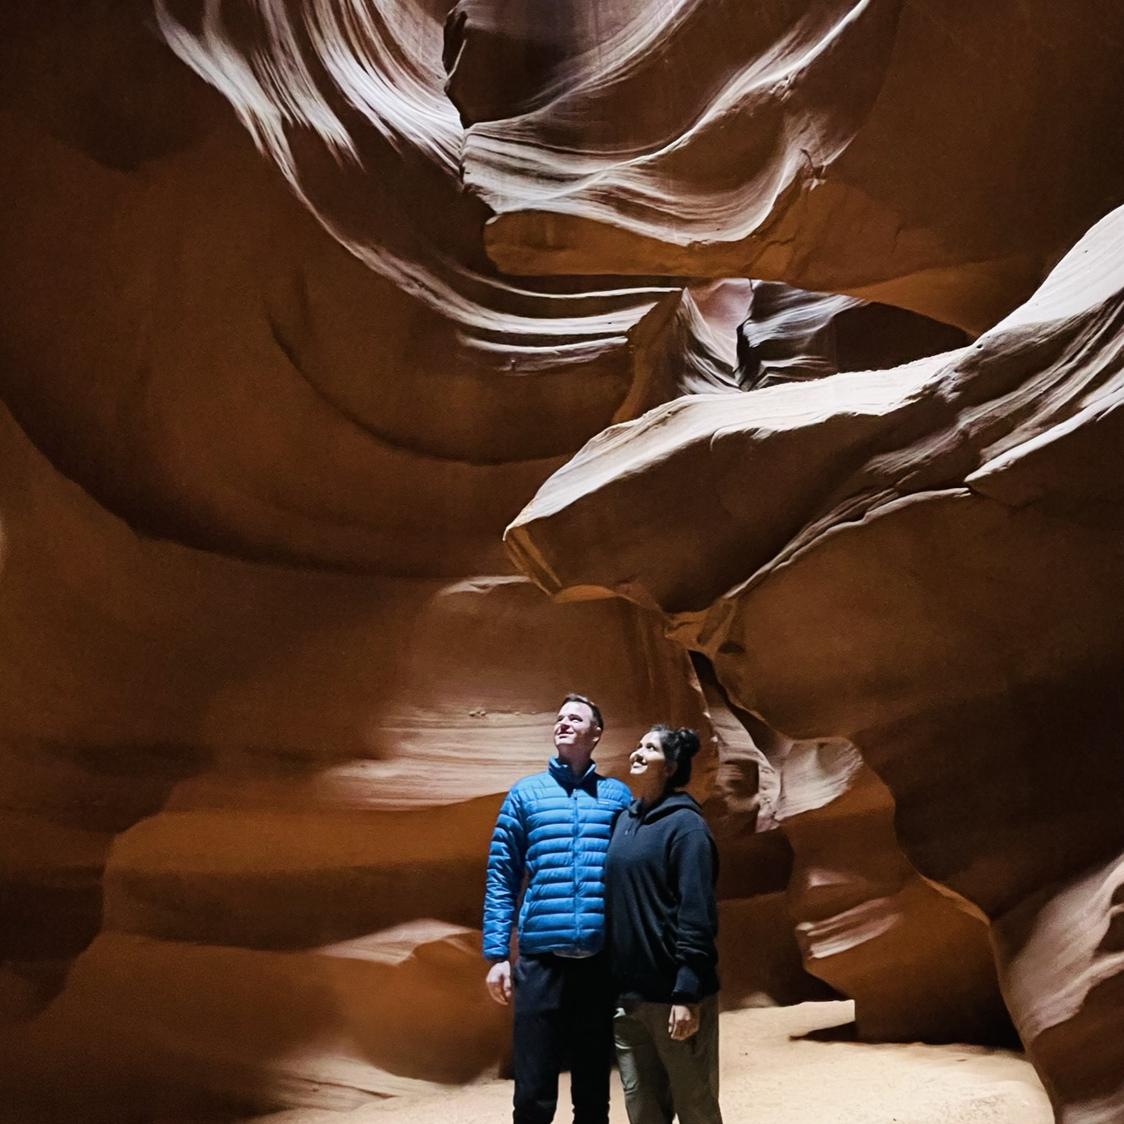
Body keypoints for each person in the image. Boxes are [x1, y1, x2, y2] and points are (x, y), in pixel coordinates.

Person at [483, 693, 633, 1124]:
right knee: (533, 1087)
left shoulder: (616, 797)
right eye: (560, 718)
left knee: (591, 1088)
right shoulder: (525, 794)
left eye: (575, 718)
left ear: (596, 734)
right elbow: (501, 875)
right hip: (540, 960)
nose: (563, 724)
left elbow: (630, 878)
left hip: (597, 960)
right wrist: (497, 956)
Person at [606, 726, 723, 1124]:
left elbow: (697, 911)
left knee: (696, 1109)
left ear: (670, 767)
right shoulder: (622, 823)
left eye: (650, 748)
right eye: (638, 745)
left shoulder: (687, 828)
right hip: (628, 999)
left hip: (676, 997)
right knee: (642, 1111)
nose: (637, 752)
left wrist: (687, 992)